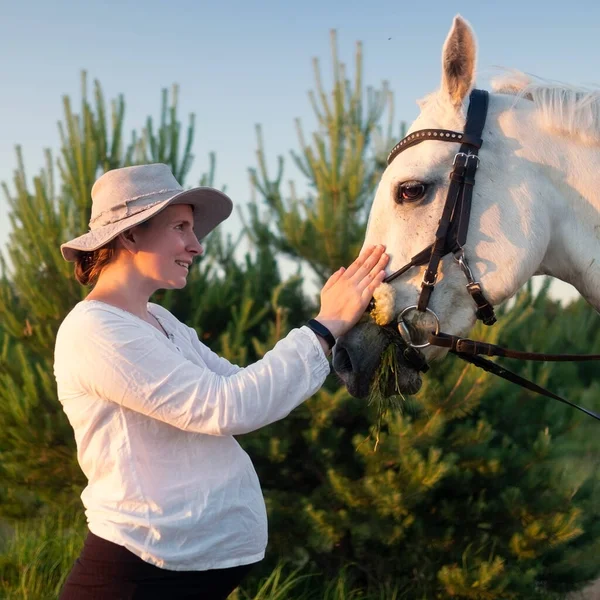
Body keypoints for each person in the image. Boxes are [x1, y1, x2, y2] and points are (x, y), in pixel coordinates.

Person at [54, 163, 388, 600]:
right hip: (136, 573)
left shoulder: (159, 320)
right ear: (130, 235)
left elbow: (243, 384)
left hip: (177, 572)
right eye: (181, 228)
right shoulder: (96, 330)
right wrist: (323, 326)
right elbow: (226, 405)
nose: (197, 247)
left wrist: (338, 330)